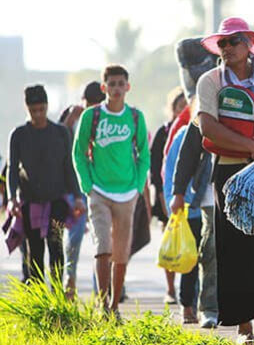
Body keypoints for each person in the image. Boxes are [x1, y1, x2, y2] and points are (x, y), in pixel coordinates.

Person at [196, 17, 254, 345]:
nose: (228, 48)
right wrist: (251, 147)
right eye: (222, 43)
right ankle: (245, 325)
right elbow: (208, 127)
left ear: (249, 44)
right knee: (234, 247)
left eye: (234, 41)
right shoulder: (210, 80)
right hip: (230, 171)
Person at [73, 65, 150, 316]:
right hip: (99, 191)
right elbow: (79, 153)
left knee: (120, 253)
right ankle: (102, 304)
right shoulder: (91, 117)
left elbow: (144, 156)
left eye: (121, 84)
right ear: (104, 87)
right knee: (102, 247)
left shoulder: (136, 117)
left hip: (127, 193)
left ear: (127, 87)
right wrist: (87, 186)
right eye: (112, 84)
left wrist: (138, 187)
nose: (116, 89)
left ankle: (115, 306)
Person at [7, 85, 85, 284]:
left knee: (56, 248)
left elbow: (69, 166)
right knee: (34, 252)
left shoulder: (60, 133)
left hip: (56, 200)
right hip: (30, 201)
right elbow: (13, 169)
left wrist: (77, 196)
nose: (38, 115)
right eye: (33, 111)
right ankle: (38, 297)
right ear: (27, 109)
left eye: (41, 109)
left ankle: (57, 296)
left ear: (47, 107)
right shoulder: (19, 135)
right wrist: (12, 199)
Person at [168, 38, 221, 329]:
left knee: (245, 251)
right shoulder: (205, 98)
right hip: (209, 190)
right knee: (210, 250)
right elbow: (189, 150)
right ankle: (209, 308)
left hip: (243, 188)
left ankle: (248, 312)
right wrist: (177, 192)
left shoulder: (251, 92)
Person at [58, 81, 105, 298]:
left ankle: (101, 289)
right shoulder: (72, 119)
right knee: (74, 237)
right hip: (74, 190)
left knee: (101, 240)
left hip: (99, 188)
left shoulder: (105, 117)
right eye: (88, 104)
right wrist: (69, 121)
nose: (91, 109)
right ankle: (70, 278)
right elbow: (58, 144)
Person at [163, 124, 205, 324]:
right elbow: (171, 171)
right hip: (190, 207)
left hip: (212, 205)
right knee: (191, 260)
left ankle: (209, 307)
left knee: (212, 258)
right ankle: (187, 306)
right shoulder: (183, 135)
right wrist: (174, 199)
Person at [152, 87, 188, 305]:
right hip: (167, 196)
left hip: (191, 197)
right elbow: (156, 169)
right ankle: (170, 289)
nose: (183, 109)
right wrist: (162, 198)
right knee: (170, 243)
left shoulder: (197, 130)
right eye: (179, 106)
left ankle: (189, 290)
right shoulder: (164, 132)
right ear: (172, 109)